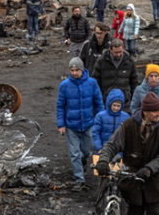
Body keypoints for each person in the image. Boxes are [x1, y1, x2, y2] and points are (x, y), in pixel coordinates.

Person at [57, 57, 105, 190]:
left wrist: (101, 120)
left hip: (88, 123)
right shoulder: (64, 86)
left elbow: (98, 102)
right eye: (71, 70)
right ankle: (79, 179)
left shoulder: (92, 83)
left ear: (82, 70)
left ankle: (83, 160)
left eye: (76, 70)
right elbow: (60, 106)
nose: (74, 73)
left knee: (87, 151)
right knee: (74, 153)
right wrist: (61, 124)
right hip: (71, 124)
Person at [92, 39, 139, 103]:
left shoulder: (130, 61)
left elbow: (134, 82)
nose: (118, 54)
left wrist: (134, 99)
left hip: (125, 101)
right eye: (116, 52)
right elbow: (95, 81)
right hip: (106, 100)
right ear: (110, 50)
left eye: (120, 52)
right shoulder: (101, 61)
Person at [92, 88, 130, 154]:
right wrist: (99, 148)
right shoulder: (100, 116)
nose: (116, 108)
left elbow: (129, 135)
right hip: (103, 150)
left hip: (120, 151)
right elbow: (96, 133)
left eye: (118, 106)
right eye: (114, 105)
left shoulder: (126, 117)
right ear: (109, 104)